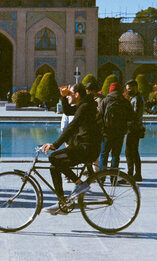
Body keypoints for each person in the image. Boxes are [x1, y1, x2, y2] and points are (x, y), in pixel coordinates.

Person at [41, 83, 101, 215]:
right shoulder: (84, 105)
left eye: (70, 94)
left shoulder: (85, 107)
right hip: (85, 146)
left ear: (77, 94)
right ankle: (62, 203)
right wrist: (63, 97)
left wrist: (55, 144)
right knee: (54, 166)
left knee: (53, 157)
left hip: (87, 148)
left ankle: (80, 184)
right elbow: (68, 111)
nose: (68, 96)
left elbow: (71, 127)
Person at [98, 82, 134, 173]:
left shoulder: (105, 100)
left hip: (106, 132)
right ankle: (113, 178)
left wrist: (101, 130)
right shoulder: (125, 102)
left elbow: (99, 116)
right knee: (115, 155)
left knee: (104, 155)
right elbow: (131, 117)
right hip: (120, 133)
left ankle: (102, 177)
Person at [125, 80, 145, 182]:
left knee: (130, 152)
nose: (128, 91)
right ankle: (136, 174)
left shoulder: (137, 99)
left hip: (134, 128)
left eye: (129, 89)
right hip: (133, 128)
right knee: (133, 152)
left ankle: (131, 175)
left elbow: (135, 115)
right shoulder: (135, 98)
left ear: (135, 87)